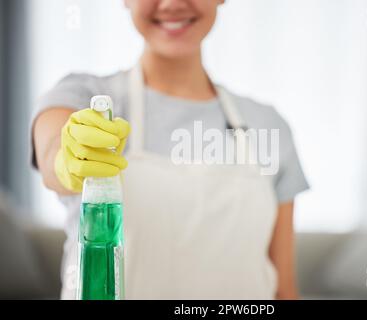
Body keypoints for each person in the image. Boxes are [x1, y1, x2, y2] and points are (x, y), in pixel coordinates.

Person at [32, 0, 309, 300]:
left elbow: (284, 290)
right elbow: (52, 154)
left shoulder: (269, 126)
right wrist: (66, 159)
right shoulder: (87, 98)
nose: (172, 3)